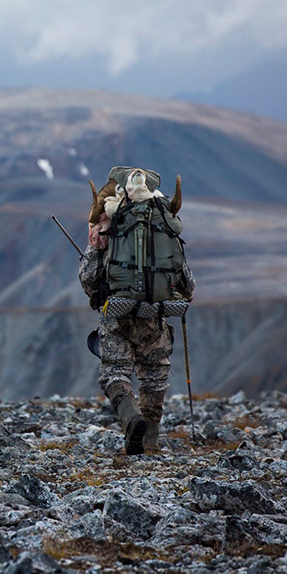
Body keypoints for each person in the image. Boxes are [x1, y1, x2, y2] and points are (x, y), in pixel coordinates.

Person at [79, 168, 195, 455]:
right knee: (154, 374)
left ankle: (131, 419)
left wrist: (98, 296)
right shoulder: (163, 229)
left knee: (115, 372)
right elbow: (186, 282)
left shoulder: (109, 226)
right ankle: (150, 440)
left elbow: (88, 277)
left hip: (116, 315)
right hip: (154, 315)